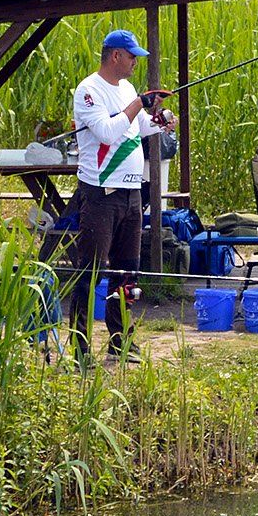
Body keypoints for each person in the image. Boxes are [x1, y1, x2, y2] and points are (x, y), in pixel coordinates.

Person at [65, 28, 169, 364]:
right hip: (101, 194)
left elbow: (136, 128)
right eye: (132, 56)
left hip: (132, 192)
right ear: (115, 56)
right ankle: (80, 348)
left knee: (127, 272)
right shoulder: (89, 91)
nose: (136, 63)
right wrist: (139, 102)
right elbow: (108, 132)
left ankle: (121, 341)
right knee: (91, 270)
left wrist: (161, 121)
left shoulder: (125, 88)